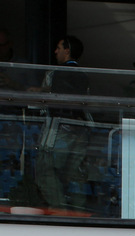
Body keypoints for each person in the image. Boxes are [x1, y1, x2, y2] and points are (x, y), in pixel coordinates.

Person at [33, 36, 89, 210]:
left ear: (68, 50)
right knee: (76, 176)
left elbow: (45, 102)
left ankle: (60, 211)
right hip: (80, 130)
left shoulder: (54, 73)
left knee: (45, 171)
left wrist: (37, 92)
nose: (55, 51)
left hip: (58, 130)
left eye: (59, 47)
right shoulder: (85, 75)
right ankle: (80, 213)